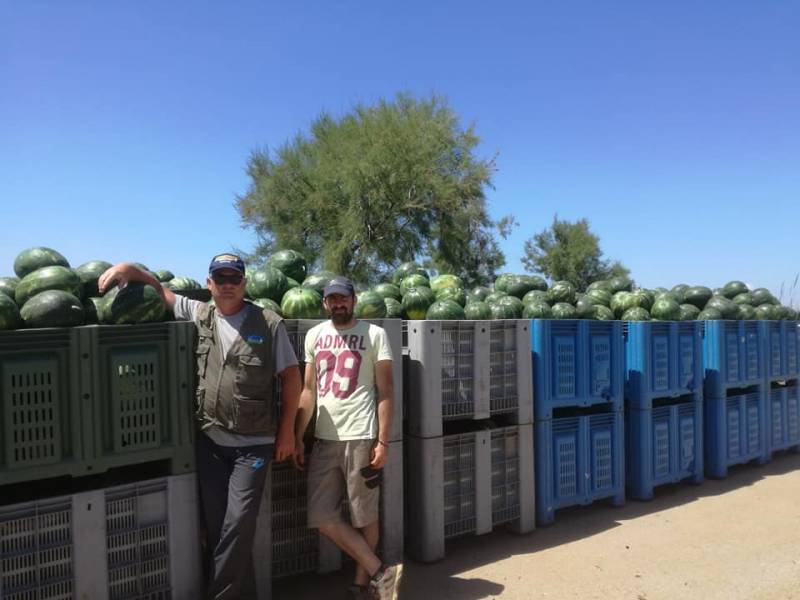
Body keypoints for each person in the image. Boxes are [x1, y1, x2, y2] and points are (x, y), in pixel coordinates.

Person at [98, 254, 300, 600]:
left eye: (233, 278)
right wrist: (129, 271)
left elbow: (292, 378)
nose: (227, 285)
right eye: (219, 278)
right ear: (209, 284)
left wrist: (287, 432)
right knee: (220, 526)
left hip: (254, 444)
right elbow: (161, 293)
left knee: (237, 525)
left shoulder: (269, 323)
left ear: (244, 283)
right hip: (210, 440)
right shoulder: (200, 313)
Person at [293, 276, 402, 600]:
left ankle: (362, 584)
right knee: (321, 515)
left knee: (364, 515)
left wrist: (383, 441)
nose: (338, 304)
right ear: (325, 303)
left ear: (353, 300)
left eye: (343, 298)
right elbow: (309, 390)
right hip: (325, 439)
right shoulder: (315, 335)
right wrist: (299, 436)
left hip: (362, 437)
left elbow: (386, 391)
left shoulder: (375, 335)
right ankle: (381, 571)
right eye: (332, 299)